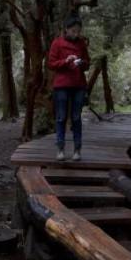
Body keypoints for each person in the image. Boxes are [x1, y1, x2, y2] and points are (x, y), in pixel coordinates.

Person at [47, 15, 90, 161]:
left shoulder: (82, 43)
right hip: (61, 85)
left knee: (76, 118)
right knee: (61, 117)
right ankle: (60, 150)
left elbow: (87, 64)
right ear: (66, 29)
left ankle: (77, 150)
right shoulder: (57, 43)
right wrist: (66, 61)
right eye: (73, 31)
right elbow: (51, 64)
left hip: (79, 85)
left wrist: (81, 63)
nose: (76, 34)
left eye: (78, 31)